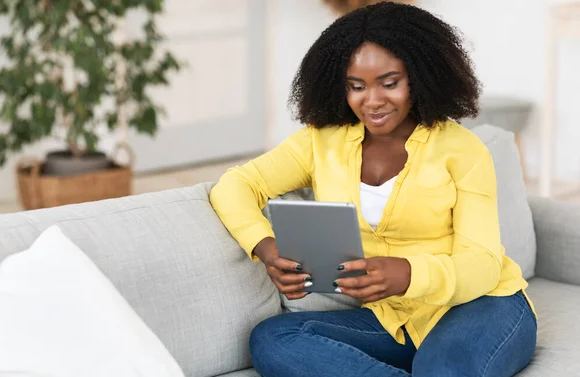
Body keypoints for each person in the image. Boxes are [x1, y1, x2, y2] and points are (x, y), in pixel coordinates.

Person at [209, 2, 537, 376]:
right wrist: (267, 250)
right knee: (274, 339)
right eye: (357, 86)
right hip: (391, 322)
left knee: (442, 367)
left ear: (419, 76)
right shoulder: (320, 142)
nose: (373, 101)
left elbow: (482, 266)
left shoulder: (462, 150)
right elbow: (236, 185)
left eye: (389, 83)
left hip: (483, 306)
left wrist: (408, 274)